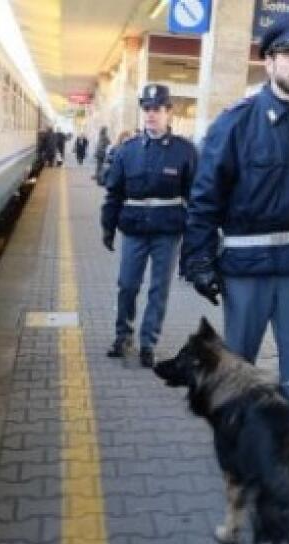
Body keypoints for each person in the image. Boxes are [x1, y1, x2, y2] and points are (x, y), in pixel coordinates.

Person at [182, 9, 289, 430]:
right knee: (237, 370)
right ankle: (237, 448)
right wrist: (199, 260)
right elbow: (205, 198)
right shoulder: (235, 123)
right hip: (245, 272)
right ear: (269, 61)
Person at [101, 84, 198, 367]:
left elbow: (196, 198)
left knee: (159, 289)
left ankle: (148, 343)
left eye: (157, 109)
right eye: (147, 109)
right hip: (134, 231)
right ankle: (123, 336)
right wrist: (107, 226)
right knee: (127, 285)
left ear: (169, 112)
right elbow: (114, 193)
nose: (151, 115)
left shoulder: (185, 152)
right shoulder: (126, 151)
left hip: (167, 233)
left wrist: (195, 238)